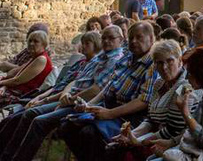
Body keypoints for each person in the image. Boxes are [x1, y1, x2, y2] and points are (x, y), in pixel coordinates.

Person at [0, 27, 124, 161]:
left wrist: (63, 99)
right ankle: (6, 155)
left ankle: (13, 157)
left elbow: (96, 90)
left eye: (111, 38)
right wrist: (61, 96)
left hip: (80, 104)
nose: (106, 41)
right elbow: (74, 82)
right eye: (104, 38)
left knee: (35, 118)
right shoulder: (97, 58)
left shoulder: (114, 59)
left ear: (121, 40)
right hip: (64, 97)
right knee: (23, 114)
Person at [58, 22, 158, 160]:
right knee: (66, 126)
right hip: (109, 107)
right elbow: (110, 85)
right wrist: (89, 106)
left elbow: (143, 101)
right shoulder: (127, 57)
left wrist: (110, 114)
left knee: (89, 133)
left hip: (129, 117)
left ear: (151, 39)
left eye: (139, 37)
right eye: (131, 37)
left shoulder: (153, 63)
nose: (134, 41)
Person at [107, 40, 192, 161]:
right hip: (154, 136)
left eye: (170, 61)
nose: (164, 67)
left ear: (179, 61)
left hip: (171, 143)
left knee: (126, 155)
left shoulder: (184, 87)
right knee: (115, 147)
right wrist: (131, 134)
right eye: (159, 63)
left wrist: (137, 141)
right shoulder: (159, 83)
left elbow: (173, 130)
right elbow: (151, 118)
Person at [0, 30, 52, 107]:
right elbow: (12, 74)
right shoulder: (34, 57)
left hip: (22, 95)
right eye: (30, 41)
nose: (31, 44)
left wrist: (1, 83)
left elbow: (17, 81)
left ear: (44, 44)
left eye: (36, 41)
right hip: (13, 90)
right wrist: (4, 86)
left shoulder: (41, 59)